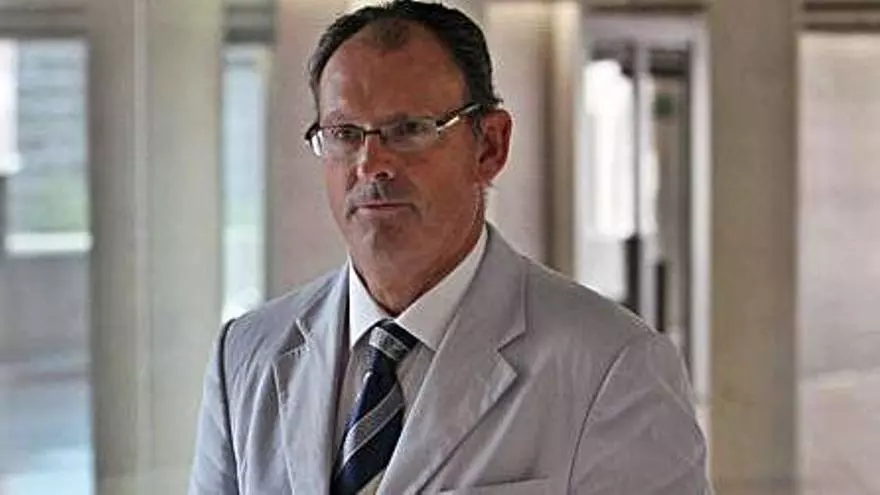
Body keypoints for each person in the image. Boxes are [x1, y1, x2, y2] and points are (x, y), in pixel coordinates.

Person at [189, 1, 710, 493]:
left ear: (490, 147)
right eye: (345, 133)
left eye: (408, 130)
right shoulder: (247, 353)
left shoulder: (612, 365)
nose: (370, 165)